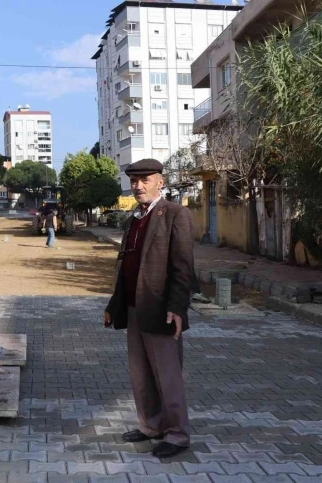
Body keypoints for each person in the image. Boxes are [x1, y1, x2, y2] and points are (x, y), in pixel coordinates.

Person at [103, 158, 193, 459]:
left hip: (161, 309)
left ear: (160, 182)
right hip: (133, 308)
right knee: (140, 375)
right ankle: (150, 426)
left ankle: (177, 434)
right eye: (134, 180)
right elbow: (124, 265)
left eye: (145, 179)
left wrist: (177, 308)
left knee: (168, 376)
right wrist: (113, 304)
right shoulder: (133, 219)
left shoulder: (175, 215)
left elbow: (183, 268)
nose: (138, 186)